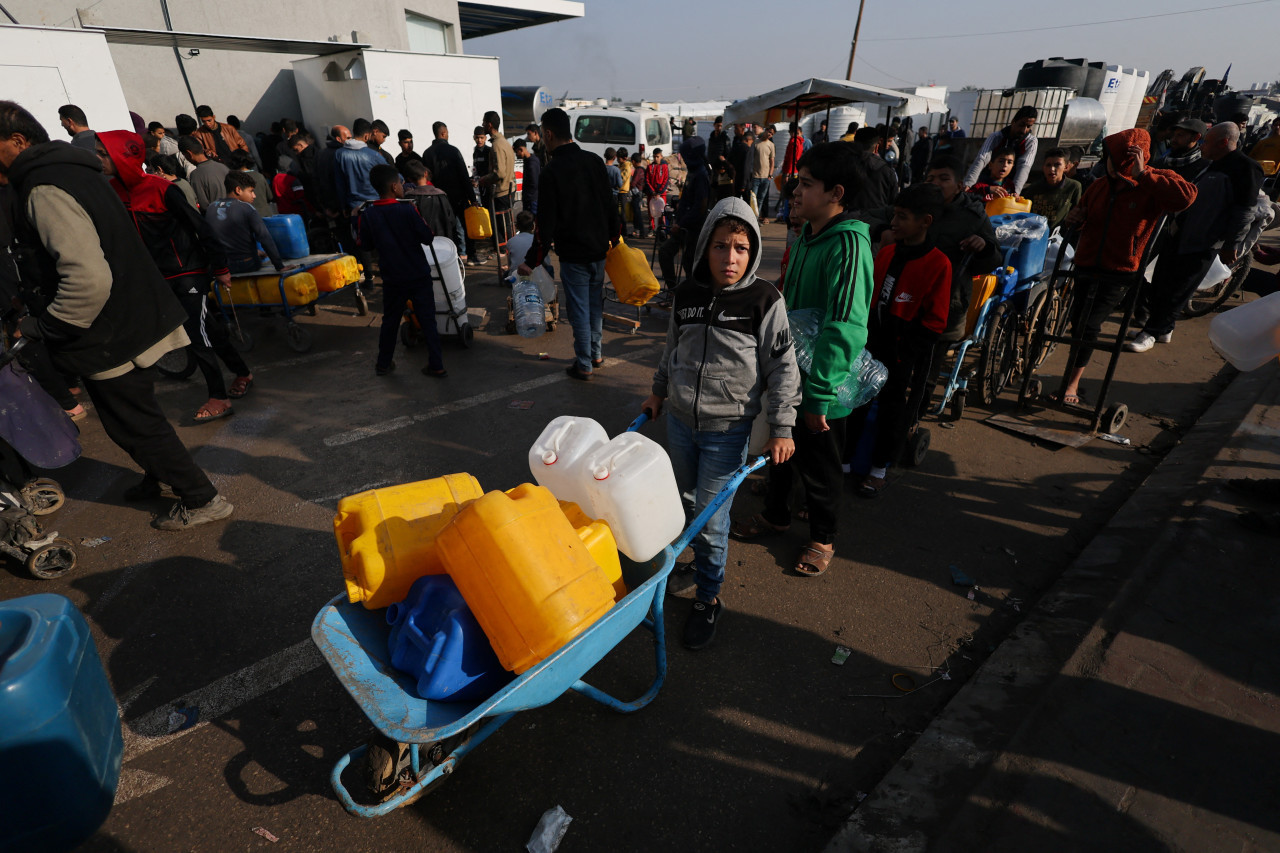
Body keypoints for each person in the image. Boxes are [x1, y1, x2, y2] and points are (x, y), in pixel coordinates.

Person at [0, 102, 233, 529]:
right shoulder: (74, 171)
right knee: (129, 418)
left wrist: (43, 326)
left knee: (135, 423)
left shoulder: (44, 186)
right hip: (127, 315)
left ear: (17, 140)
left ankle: (202, 499)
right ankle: (159, 476)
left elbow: (87, 278)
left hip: (106, 331)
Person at [642, 197, 800, 648]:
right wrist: (657, 391)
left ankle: (709, 597)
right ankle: (698, 564)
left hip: (727, 432)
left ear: (751, 253)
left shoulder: (764, 300)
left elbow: (783, 368)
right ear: (704, 247)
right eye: (720, 246)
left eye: (741, 248)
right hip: (679, 423)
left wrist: (783, 427)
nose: (729, 259)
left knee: (712, 521)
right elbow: (673, 349)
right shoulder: (688, 295)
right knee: (686, 504)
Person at [730, 143, 874, 578]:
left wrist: (820, 395)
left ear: (837, 192)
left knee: (821, 465)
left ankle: (822, 538)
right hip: (791, 376)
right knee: (781, 452)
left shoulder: (848, 245)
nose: (797, 190)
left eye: (808, 184)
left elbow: (846, 326)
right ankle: (776, 516)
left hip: (821, 386)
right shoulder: (809, 235)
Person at [98, 130, 256, 423]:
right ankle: (243, 372)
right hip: (158, 277)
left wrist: (220, 268)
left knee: (196, 336)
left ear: (121, 156)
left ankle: (218, 397)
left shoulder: (162, 189)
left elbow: (202, 229)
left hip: (188, 272)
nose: (98, 159)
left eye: (102, 153)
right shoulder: (112, 193)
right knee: (208, 328)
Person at [857, 154, 1002, 420]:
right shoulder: (913, 205)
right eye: (930, 178)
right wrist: (881, 230)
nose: (936, 184)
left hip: (944, 309)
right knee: (883, 369)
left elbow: (994, 260)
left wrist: (984, 247)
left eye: (943, 178)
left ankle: (911, 422)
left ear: (960, 185)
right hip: (898, 306)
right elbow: (866, 216)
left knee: (925, 373)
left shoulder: (972, 216)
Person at [1056, 129, 1196, 404]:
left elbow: (1186, 197)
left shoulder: (1154, 181)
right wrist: (1076, 218)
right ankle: (1069, 381)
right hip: (1086, 263)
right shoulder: (1098, 186)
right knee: (1077, 323)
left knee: (1089, 326)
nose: (1106, 163)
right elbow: (1085, 217)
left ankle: (1071, 385)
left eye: (1112, 157)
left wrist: (1143, 174)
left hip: (1119, 270)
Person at [848, 183, 952, 497]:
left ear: (926, 222)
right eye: (894, 214)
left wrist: (906, 351)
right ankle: (845, 460)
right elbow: (868, 296)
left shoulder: (939, 264)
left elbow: (935, 321)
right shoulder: (888, 251)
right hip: (870, 343)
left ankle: (880, 470)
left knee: (893, 411)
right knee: (855, 402)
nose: (894, 222)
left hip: (903, 353)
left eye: (903, 217)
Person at [1128, 122, 1260, 354]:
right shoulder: (1210, 165)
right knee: (1161, 282)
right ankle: (1163, 329)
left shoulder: (1245, 168)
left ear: (1222, 142)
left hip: (1203, 241)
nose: (1202, 145)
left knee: (1177, 288)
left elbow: (1244, 211)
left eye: (1206, 141)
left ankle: (1150, 332)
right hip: (1180, 234)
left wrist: (1232, 244)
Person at [516, 107, 619, 381]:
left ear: (548, 134)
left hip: (574, 254)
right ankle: (596, 354)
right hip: (599, 250)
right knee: (595, 306)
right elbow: (611, 205)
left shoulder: (552, 171)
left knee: (580, 311)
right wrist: (613, 236)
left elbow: (545, 225)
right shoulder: (595, 161)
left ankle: (584, 363)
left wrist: (532, 260)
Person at [356, 164, 447, 379]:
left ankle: (383, 364)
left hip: (392, 276)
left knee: (390, 320)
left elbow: (365, 245)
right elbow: (427, 236)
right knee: (428, 320)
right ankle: (436, 364)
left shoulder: (368, 214)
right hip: (417, 273)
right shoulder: (407, 209)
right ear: (395, 187)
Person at [204, 171, 286, 274]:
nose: (254, 195)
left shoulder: (211, 207)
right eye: (251, 191)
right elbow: (265, 238)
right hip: (245, 265)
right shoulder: (247, 208)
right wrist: (279, 266)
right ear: (238, 190)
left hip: (220, 266)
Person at [659, 136, 712, 290]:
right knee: (665, 252)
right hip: (683, 226)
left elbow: (700, 207)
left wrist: (681, 223)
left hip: (694, 228)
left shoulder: (701, 175)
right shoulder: (693, 171)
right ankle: (673, 290)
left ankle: (694, 295)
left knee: (690, 263)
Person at [422, 121, 472, 261]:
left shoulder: (427, 153)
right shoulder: (453, 151)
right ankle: (464, 253)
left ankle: (449, 254)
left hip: (437, 196)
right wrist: (472, 197)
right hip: (457, 195)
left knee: (444, 225)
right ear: (444, 133)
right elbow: (463, 175)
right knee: (460, 225)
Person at [964, 106, 1038, 195]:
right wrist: (968, 185)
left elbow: (1024, 167)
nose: (1024, 130)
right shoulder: (996, 137)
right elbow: (982, 159)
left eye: (1028, 126)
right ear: (1013, 122)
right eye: (1021, 125)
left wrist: (1015, 192)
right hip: (986, 181)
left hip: (1009, 187)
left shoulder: (1031, 142)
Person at [478, 110, 515, 264]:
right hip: (507, 190)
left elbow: (499, 172)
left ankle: (508, 265)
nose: (482, 125)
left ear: (490, 124)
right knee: (506, 230)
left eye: (484, 122)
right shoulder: (502, 142)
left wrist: (484, 180)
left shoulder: (497, 145)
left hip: (502, 192)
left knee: (504, 233)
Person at [401, 158, 458, 247]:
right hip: (443, 244)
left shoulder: (408, 199)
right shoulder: (441, 195)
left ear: (409, 179)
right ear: (425, 173)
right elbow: (452, 221)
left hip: (420, 247)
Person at [1022, 147, 1083, 230]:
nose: (1052, 169)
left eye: (1057, 165)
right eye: (1048, 165)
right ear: (1043, 167)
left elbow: (1076, 216)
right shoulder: (1034, 188)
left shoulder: (1074, 187)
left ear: (1066, 167)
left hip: (1057, 236)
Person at [335, 118, 385, 213]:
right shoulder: (373, 155)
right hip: (374, 204)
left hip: (353, 206)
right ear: (366, 136)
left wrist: (343, 207)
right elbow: (393, 176)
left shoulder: (339, 154)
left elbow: (340, 183)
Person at [846, 127, 898, 213]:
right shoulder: (887, 171)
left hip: (845, 220)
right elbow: (893, 202)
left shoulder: (841, 163)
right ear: (877, 147)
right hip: (876, 221)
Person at [178, 135, 230, 211]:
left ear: (189, 154)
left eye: (184, 155)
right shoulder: (223, 167)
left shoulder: (196, 175)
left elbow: (203, 205)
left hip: (217, 215)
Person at [226, 150, 273, 218]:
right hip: (265, 214)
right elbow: (270, 196)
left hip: (248, 217)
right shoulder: (259, 176)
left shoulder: (233, 179)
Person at [750, 125, 776, 223]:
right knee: (753, 200)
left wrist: (770, 174)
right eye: (769, 132)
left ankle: (755, 219)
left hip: (766, 177)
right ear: (766, 130)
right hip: (755, 176)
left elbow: (772, 161)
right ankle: (751, 218)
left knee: (760, 200)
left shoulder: (771, 145)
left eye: (772, 134)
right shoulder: (756, 143)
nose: (770, 134)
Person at [513, 138, 540, 215]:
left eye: (516, 152)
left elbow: (534, 183)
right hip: (530, 198)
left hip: (532, 200)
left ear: (521, 149)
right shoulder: (530, 160)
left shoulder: (531, 163)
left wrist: (527, 197)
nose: (517, 155)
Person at [629, 152, 649, 239]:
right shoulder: (642, 170)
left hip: (637, 194)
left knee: (637, 214)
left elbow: (633, 184)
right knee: (637, 213)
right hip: (640, 193)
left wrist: (630, 185)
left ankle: (641, 232)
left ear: (633, 161)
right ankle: (637, 231)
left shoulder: (637, 171)